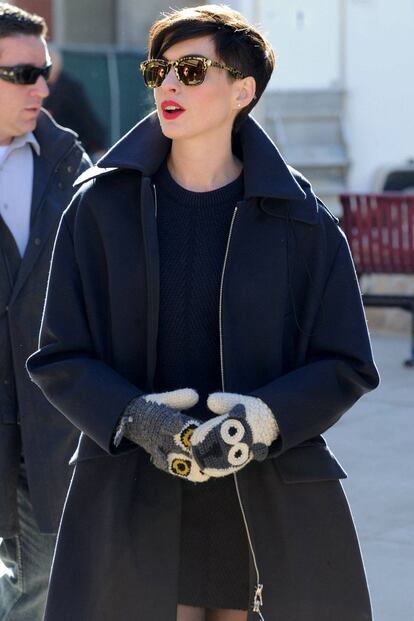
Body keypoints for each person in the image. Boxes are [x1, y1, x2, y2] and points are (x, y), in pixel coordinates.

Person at [27, 5, 379, 621]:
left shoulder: (301, 220)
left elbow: (344, 362)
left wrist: (264, 421)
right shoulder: (98, 208)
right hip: (135, 487)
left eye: (191, 70)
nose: (167, 84)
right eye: (158, 70)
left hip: (262, 493)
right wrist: (138, 419)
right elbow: (60, 355)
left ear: (242, 90)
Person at [0, 4, 90, 621]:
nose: (41, 87)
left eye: (45, 71)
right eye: (21, 74)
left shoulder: (68, 165)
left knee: (37, 594)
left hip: (44, 428)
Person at [44, 46, 107, 160]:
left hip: (69, 149)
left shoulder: (70, 88)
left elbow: (88, 120)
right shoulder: (41, 85)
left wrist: (99, 148)